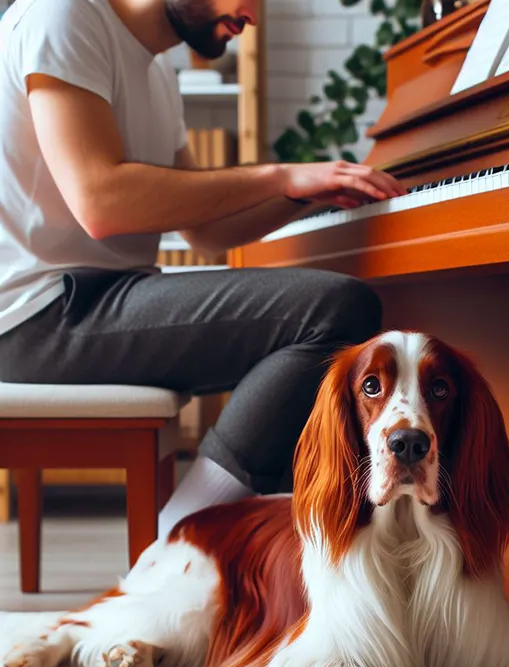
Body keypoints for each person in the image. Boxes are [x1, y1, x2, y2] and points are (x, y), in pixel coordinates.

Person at [0, 0, 405, 539]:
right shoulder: (65, 14)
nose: (253, 16)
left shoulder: (158, 69)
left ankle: (273, 556)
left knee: (319, 356)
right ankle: (185, 532)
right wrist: (279, 175)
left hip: (102, 298)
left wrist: (306, 194)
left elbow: (205, 231)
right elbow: (101, 202)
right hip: (40, 315)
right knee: (338, 311)